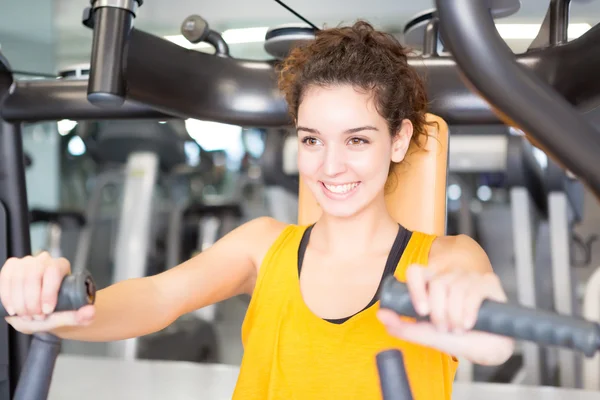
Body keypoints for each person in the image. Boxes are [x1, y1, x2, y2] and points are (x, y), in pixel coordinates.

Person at [0, 20, 513, 399]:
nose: (331, 166)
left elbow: (493, 340)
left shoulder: (444, 259)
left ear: (399, 140)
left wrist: (478, 320)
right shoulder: (263, 245)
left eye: (357, 140)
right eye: (312, 140)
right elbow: (157, 297)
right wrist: (56, 308)